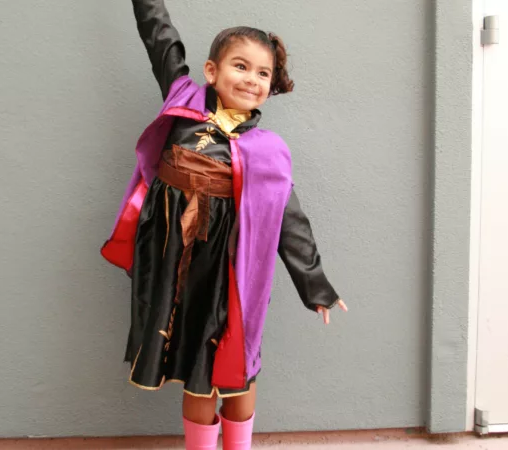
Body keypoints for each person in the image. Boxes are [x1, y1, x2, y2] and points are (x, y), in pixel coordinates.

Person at [101, 1, 348, 448]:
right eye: (241, 66)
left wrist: (316, 286)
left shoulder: (267, 151)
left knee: (237, 364)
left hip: (232, 271)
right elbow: (159, 34)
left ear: (271, 86)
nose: (251, 80)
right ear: (211, 71)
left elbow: (291, 223)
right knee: (194, 364)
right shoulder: (182, 98)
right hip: (176, 262)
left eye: (263, 73)